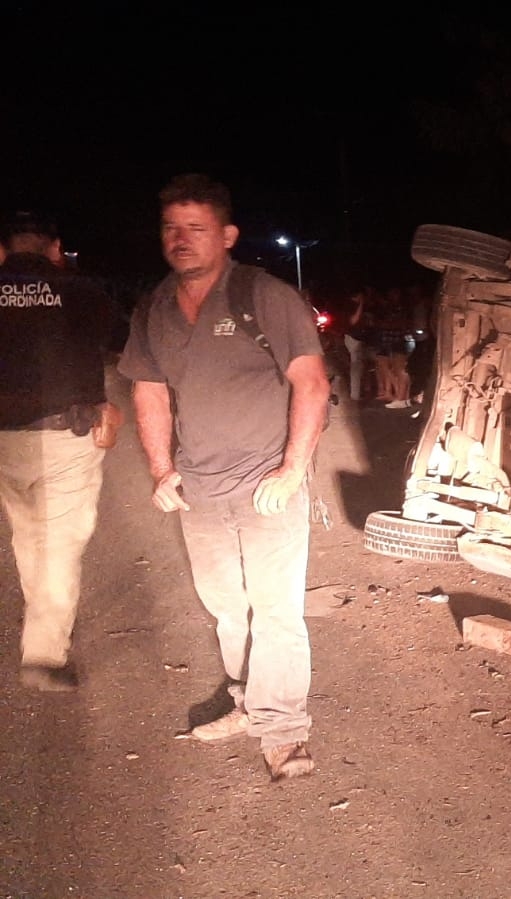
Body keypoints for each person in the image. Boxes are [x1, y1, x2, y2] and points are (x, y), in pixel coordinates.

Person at [119, 174, 330, 781]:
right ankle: (246, 702)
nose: (180, 239)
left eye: (196, 228)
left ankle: (284, 730)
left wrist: (292, 470)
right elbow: (150, 391)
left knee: (276, 611)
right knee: (228, 609)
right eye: (170, 228)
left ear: (227, 235)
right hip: (200, 491)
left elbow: (311, 384)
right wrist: (162, 470)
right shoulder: (154, 308)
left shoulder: (263, 296)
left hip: (268, 485)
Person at [0, 211, 118, 692]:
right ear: (54, 247)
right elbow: (107, 339)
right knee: (59, 544)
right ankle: (44, 653)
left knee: (28, 534)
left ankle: (41, 625)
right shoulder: (81, 291)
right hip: (63, 435)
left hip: (5, 437)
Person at [342, 288, 377, 403]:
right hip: (353, 339)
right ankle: (355, 394)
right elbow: (353, 321)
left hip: (361, 339)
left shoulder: (362, 306)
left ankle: (364, 390)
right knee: (356, 367)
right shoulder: (350, 306)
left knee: (363, 365)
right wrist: (360, 305)